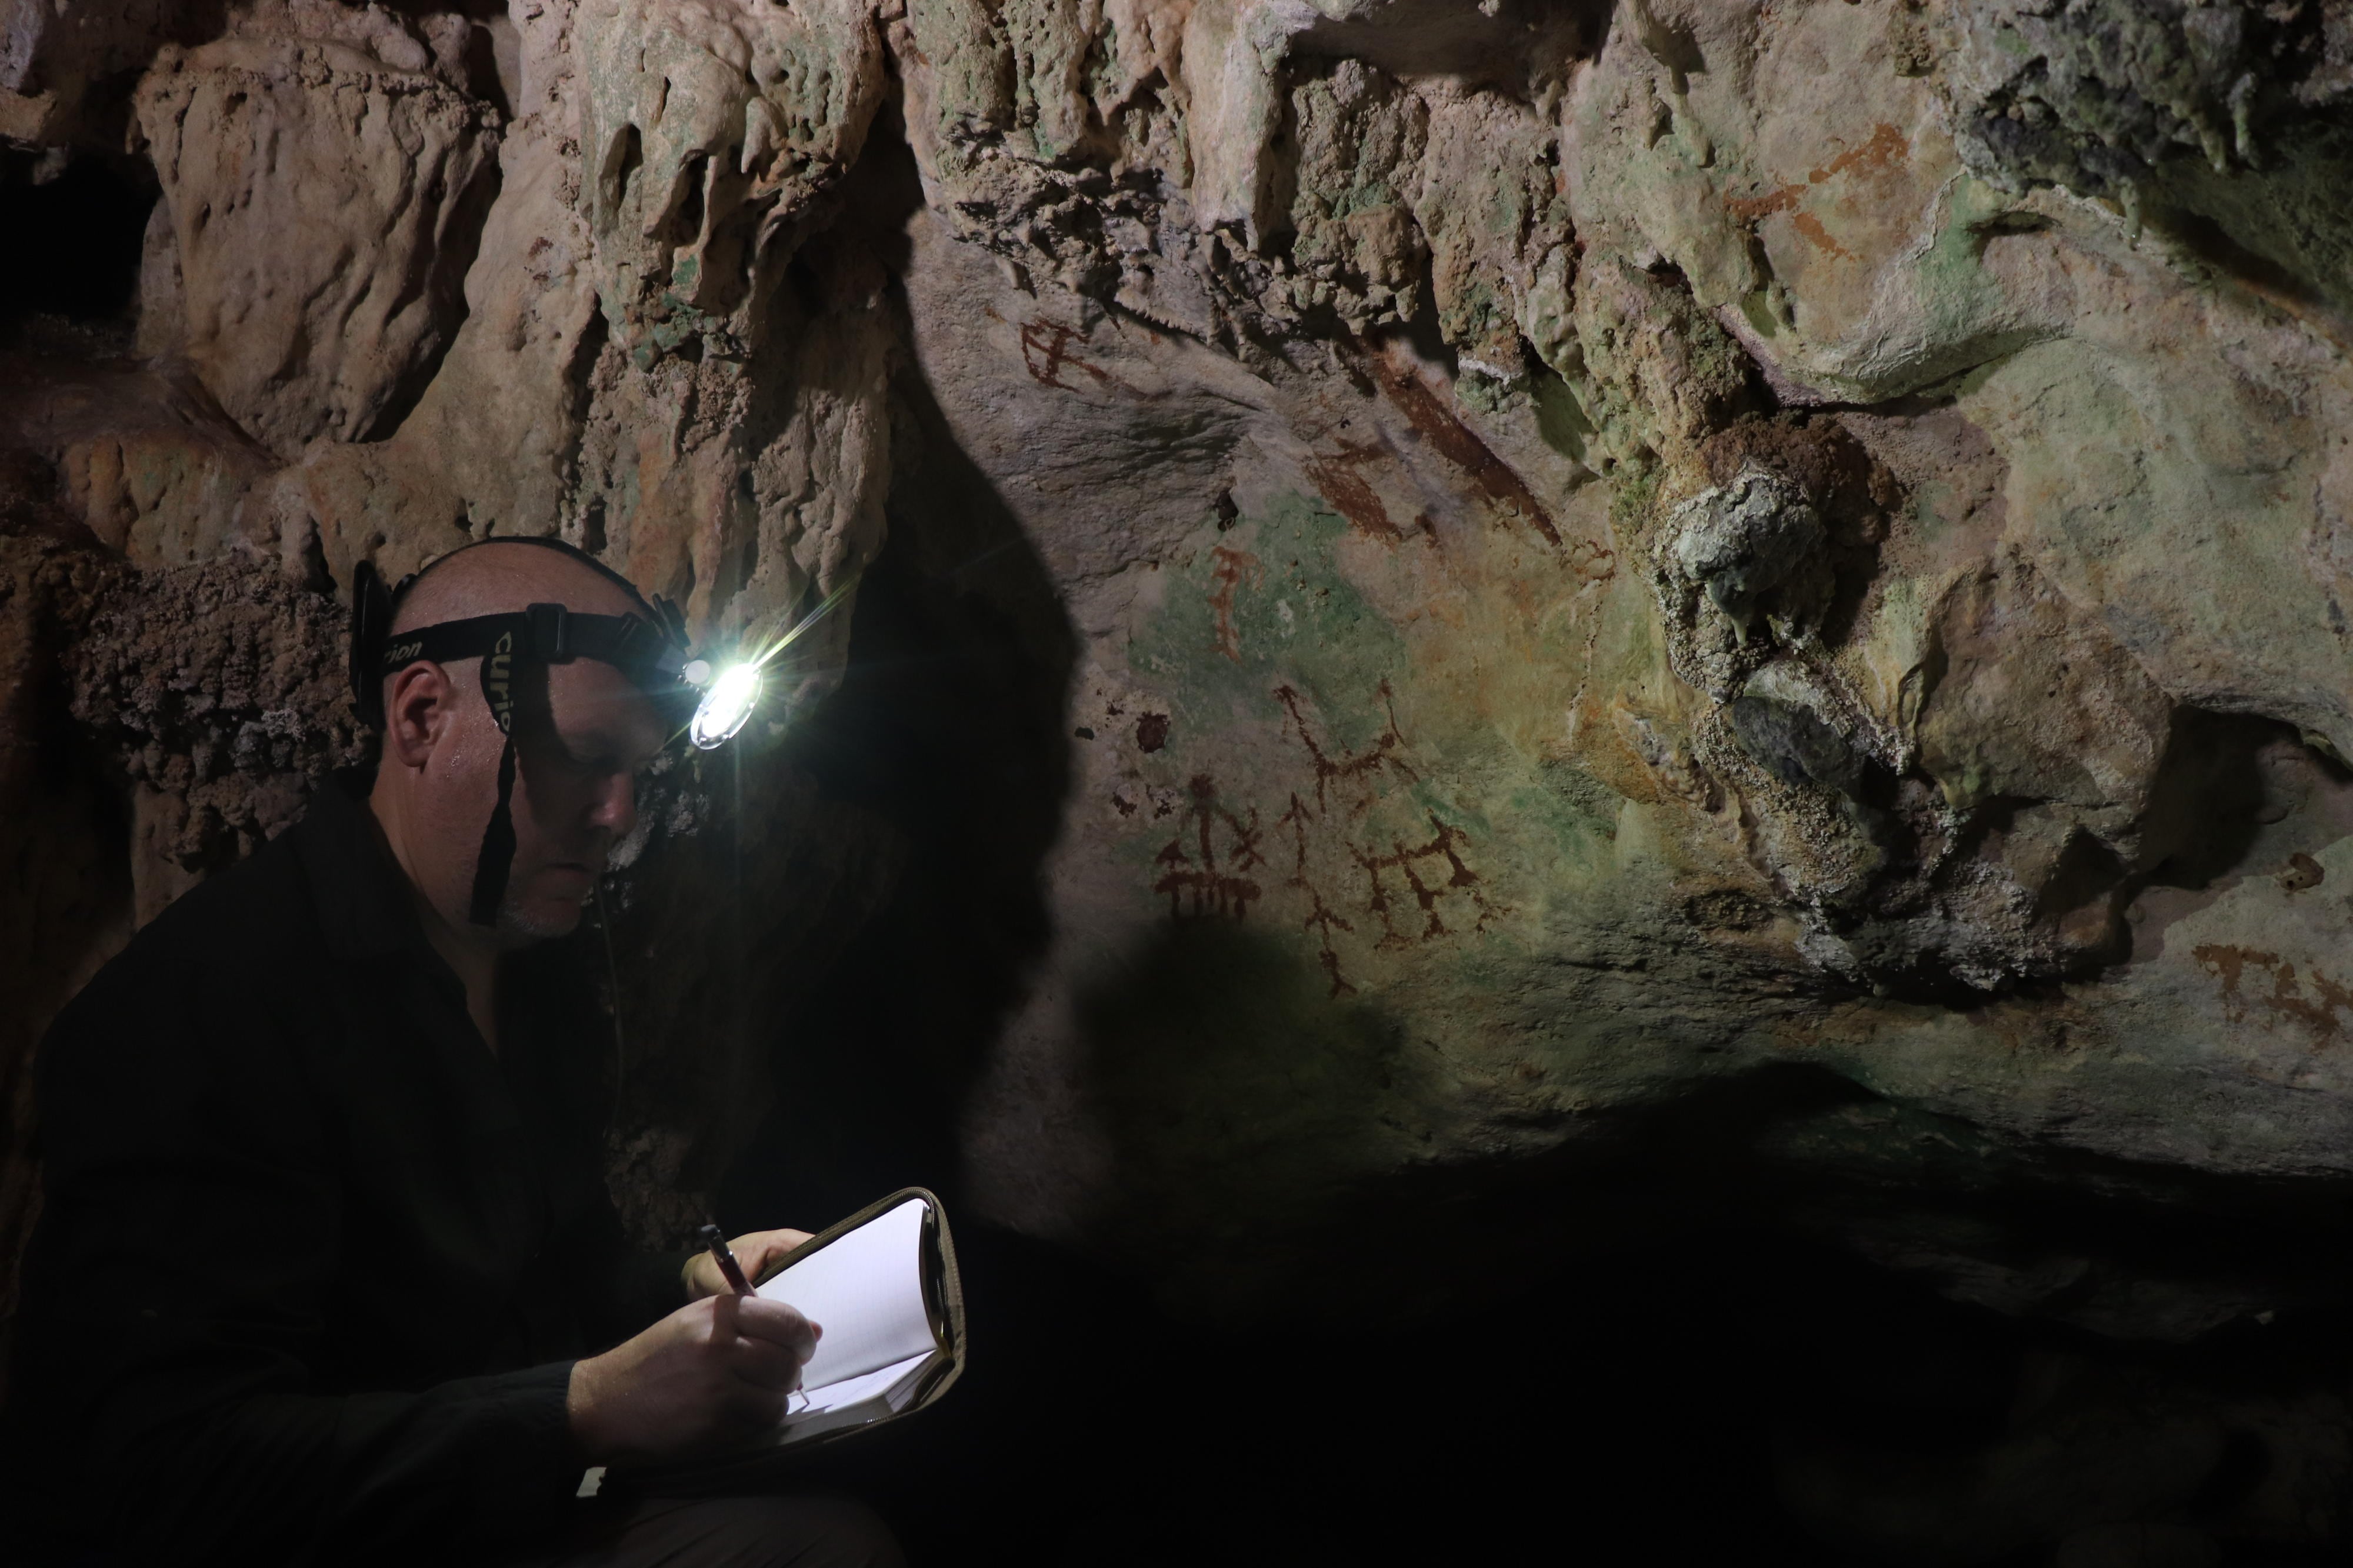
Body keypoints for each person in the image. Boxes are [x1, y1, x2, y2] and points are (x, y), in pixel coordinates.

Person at [5, 541, 903, 1567]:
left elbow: (548, 1285)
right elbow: (170, 1475)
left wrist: (698, 1282)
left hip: (489, 1508)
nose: (619, 814)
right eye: (584, 755)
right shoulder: (200, 1010)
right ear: (423, 715)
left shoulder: (541, 979)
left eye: (638, 772)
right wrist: (585, 1408)